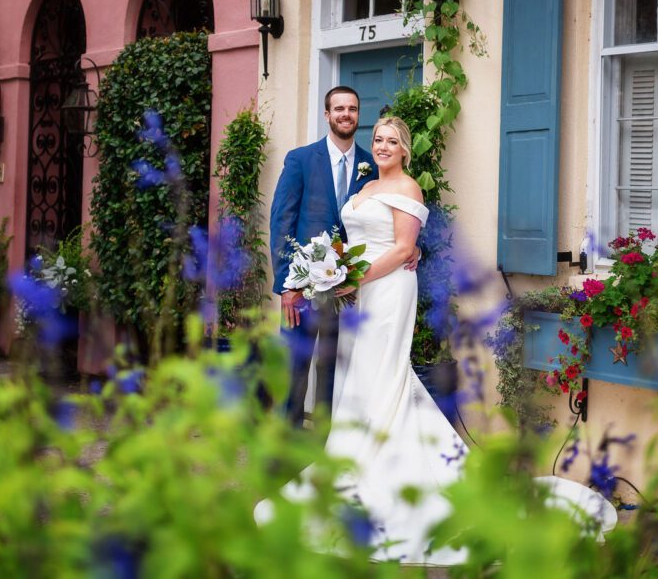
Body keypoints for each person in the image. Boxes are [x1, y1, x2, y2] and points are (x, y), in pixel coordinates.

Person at [258, 117, 617, 564]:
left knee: (383, 372)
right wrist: (332, 271)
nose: (383, 146)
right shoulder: (365, 185)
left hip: (386, 291)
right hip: (359, 290)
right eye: (379, 140)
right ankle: (352, 460)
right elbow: (357, 239)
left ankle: (380, 468)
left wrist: (354, 279)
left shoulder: (409, 188)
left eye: (392, 141)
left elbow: (405, 248)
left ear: (405, 150)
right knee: (359, 374)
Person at [269, 85, 380, 427]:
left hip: (345, 290)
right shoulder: (301, 159)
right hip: (301, 286)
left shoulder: (370, 165)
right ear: (327, 114)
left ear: (358, 115)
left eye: (353, 108)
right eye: (339, 108)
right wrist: (286, 285)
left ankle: (322, 444)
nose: (346, 114)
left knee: (331, 366)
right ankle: (286, 444)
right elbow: (281, 221)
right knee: (295, 364)